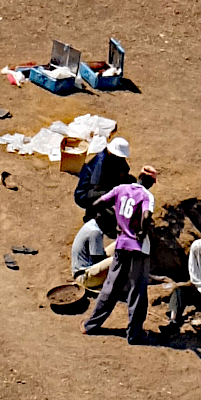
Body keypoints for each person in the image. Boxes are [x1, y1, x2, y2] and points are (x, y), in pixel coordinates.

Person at [83, 167, 158, 344]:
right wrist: (141, 231)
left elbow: (97, 204)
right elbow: (146, 215)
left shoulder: (120, 189)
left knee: (111, 285)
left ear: (139, 176)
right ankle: (134, 334)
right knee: (137, 291)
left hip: (121, 244)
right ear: (152, 182)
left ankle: (91, 325)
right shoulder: (147, 196)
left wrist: (114, 222)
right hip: (138, 249)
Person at [74, 138, 132, 218]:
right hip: (85, 194)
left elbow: (125, 169)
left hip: (101, 187)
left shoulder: (115, 158)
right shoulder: (101, 162)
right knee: (111, 193)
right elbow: (96, 188)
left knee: (129, 182)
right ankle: (93, 214)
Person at [71, 208, 116, 293]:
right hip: (84, 277)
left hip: (86, 269)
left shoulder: (92, 225)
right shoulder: (95, 233)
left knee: (120, 245)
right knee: (120, 259)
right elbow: (97, 260)